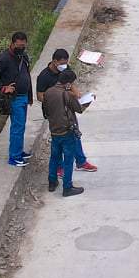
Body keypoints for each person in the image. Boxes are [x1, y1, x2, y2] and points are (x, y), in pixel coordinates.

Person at [37, 49, 98, 172]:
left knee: (75, 135)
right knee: (58, 141)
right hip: (55, 113)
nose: (64, 66)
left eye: (66, 62)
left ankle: (81, 161)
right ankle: (59, 167)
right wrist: (57, 99)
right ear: (54, 61)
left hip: (68, 110)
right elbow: (40, 96)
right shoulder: (44, 76)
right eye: (61, 63)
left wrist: (77, 95)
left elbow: (71, 84)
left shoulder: (65, 69)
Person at [0, 30, 33, 167]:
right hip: (14, 98)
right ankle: (14, 157)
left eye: (23, 46)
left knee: (21, 126)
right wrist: (2, 88)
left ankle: (18, 151)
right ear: (12, 44)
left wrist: (29, 96)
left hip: (23, 97)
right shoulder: (4, 59)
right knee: (17, 127)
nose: (21, 48)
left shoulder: (23, 57)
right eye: (19, 46)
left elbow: (27, 76)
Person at [42, 66, 89, 197]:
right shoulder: (66, 94)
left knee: (54, 157)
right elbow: (79, 109)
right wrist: (88, 102)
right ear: (68, 83)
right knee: (68, 160)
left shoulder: (48, 92)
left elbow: (46, 111)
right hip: (67, 132)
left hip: (54, 131)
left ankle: (52, 182)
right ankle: (67, 187)